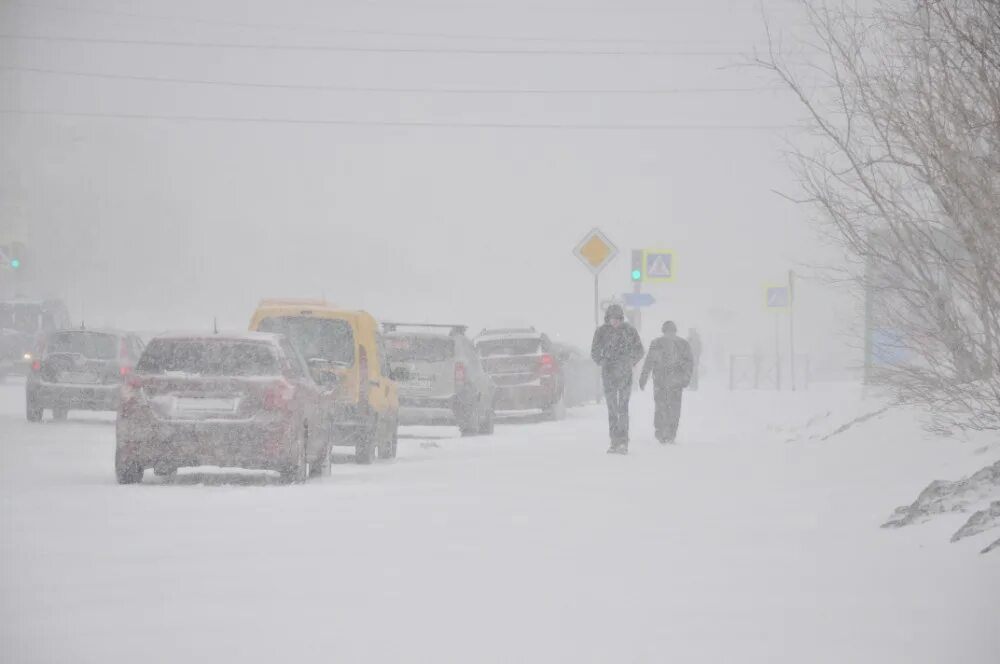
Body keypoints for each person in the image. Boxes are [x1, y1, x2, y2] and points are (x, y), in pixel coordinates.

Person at [591, 304, 644, 454]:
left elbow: (640, 350)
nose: (614, 322)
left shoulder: (630, 331)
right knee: (612, 410)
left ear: (621, 318)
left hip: (625, 375)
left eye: (617, 319)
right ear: (607, 318)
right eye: (611, 319)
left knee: (623, 409)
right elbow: (594, 351)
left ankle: (623, 442)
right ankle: (614, 442)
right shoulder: (601, 332)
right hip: (608, 376)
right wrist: (602, 361)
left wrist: (630, 362)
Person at [639, 321, 693, 444]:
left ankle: (671, 432)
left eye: (671, 332)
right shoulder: (657, 344)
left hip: (675, 382)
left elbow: (689, 363)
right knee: (661, 407)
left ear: (675, 332)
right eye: (668, 332)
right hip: (661, 382)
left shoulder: (683, 344)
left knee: (673, 408)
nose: (670, 334)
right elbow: (649, 362)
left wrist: (686, 379)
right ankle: (661, 432)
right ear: (664, 332)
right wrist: (643, 377)